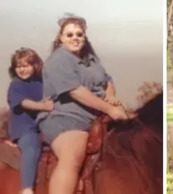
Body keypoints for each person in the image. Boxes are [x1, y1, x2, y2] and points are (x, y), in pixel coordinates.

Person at [37, 13, 127, 194]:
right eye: (69, 35)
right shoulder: (58, 60)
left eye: (79, 34)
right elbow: (76, 91)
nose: (75, 38)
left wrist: (111, 96)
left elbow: (107, 79)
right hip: (66, 118)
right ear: (61, 38)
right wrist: (110, 108)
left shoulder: (91, 60)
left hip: (96, 117)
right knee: (72, 156)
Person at [7, 48, 54, 194]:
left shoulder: (42, 83)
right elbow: (23, 102)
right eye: (19, 66)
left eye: (26, 65)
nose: (22, 69)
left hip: (43, 125)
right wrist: (43, 106)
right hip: (25, 128)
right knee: (31, 147)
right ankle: (26, 188)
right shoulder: (16, 85)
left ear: (35, 65)